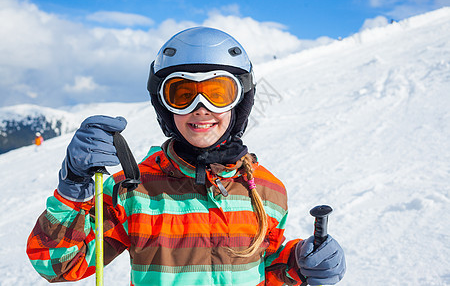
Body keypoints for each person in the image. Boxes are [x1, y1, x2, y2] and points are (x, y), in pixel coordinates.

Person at [26, 27, 345, 286]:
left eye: (218, 93)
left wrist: (298, 262)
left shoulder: (266, 190)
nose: (201, 107)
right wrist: (74, 187)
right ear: (165, 107)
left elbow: (265, 265)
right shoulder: (133, 191)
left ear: (240, 103)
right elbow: (57, 266)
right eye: (182, 94)